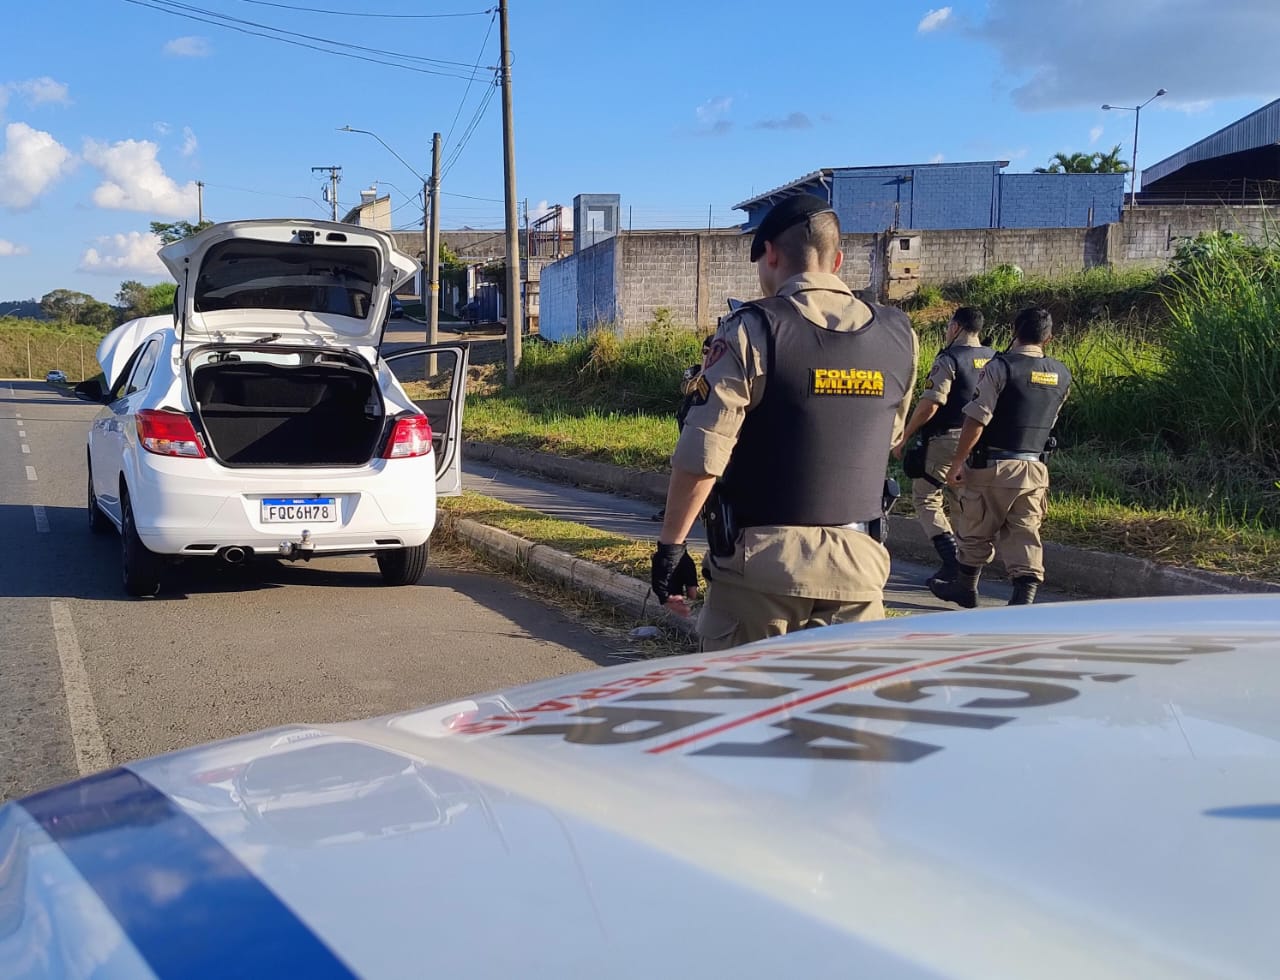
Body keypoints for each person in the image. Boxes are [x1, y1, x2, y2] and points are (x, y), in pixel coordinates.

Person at [650, 194, 918, 650]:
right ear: (837, 260)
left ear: (770, 253)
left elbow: (703, 453)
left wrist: (671, 549)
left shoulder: (752, 329)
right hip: (860, 572)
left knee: (746, 716)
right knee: (842, 717)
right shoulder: (899, 335)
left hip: (762, 576)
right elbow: (890, 437)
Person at [930, 306, 1071, 608]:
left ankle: (965, 588)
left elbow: (977, 418)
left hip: (992, 466)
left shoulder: (1000, 367)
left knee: (975, 527)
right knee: (1025, 531)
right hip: (1033, 469)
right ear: (1049, 338)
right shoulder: (1061, 373)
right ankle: (1023, 599)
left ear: (1014, 331)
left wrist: (958, 461)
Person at [890, 307, 994, 586]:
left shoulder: (949, 358)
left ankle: (951, 561)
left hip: (946, 439)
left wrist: (905, 435)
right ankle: (967, 567)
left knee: (926, 496)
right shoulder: (995, 358)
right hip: (981, 440)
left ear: (956, 327)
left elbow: (931, 403)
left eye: (949, 326)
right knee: (962, 500)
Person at [651, 334, 716, 523]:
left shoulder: (726, 373)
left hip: (710, 429)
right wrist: (703, 371)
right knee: (683, 468)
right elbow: (686, 389)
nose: (706, 355)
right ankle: (675, 510)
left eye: (710, 352)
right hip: (688, 424)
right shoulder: (696, 372)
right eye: (704, 352)